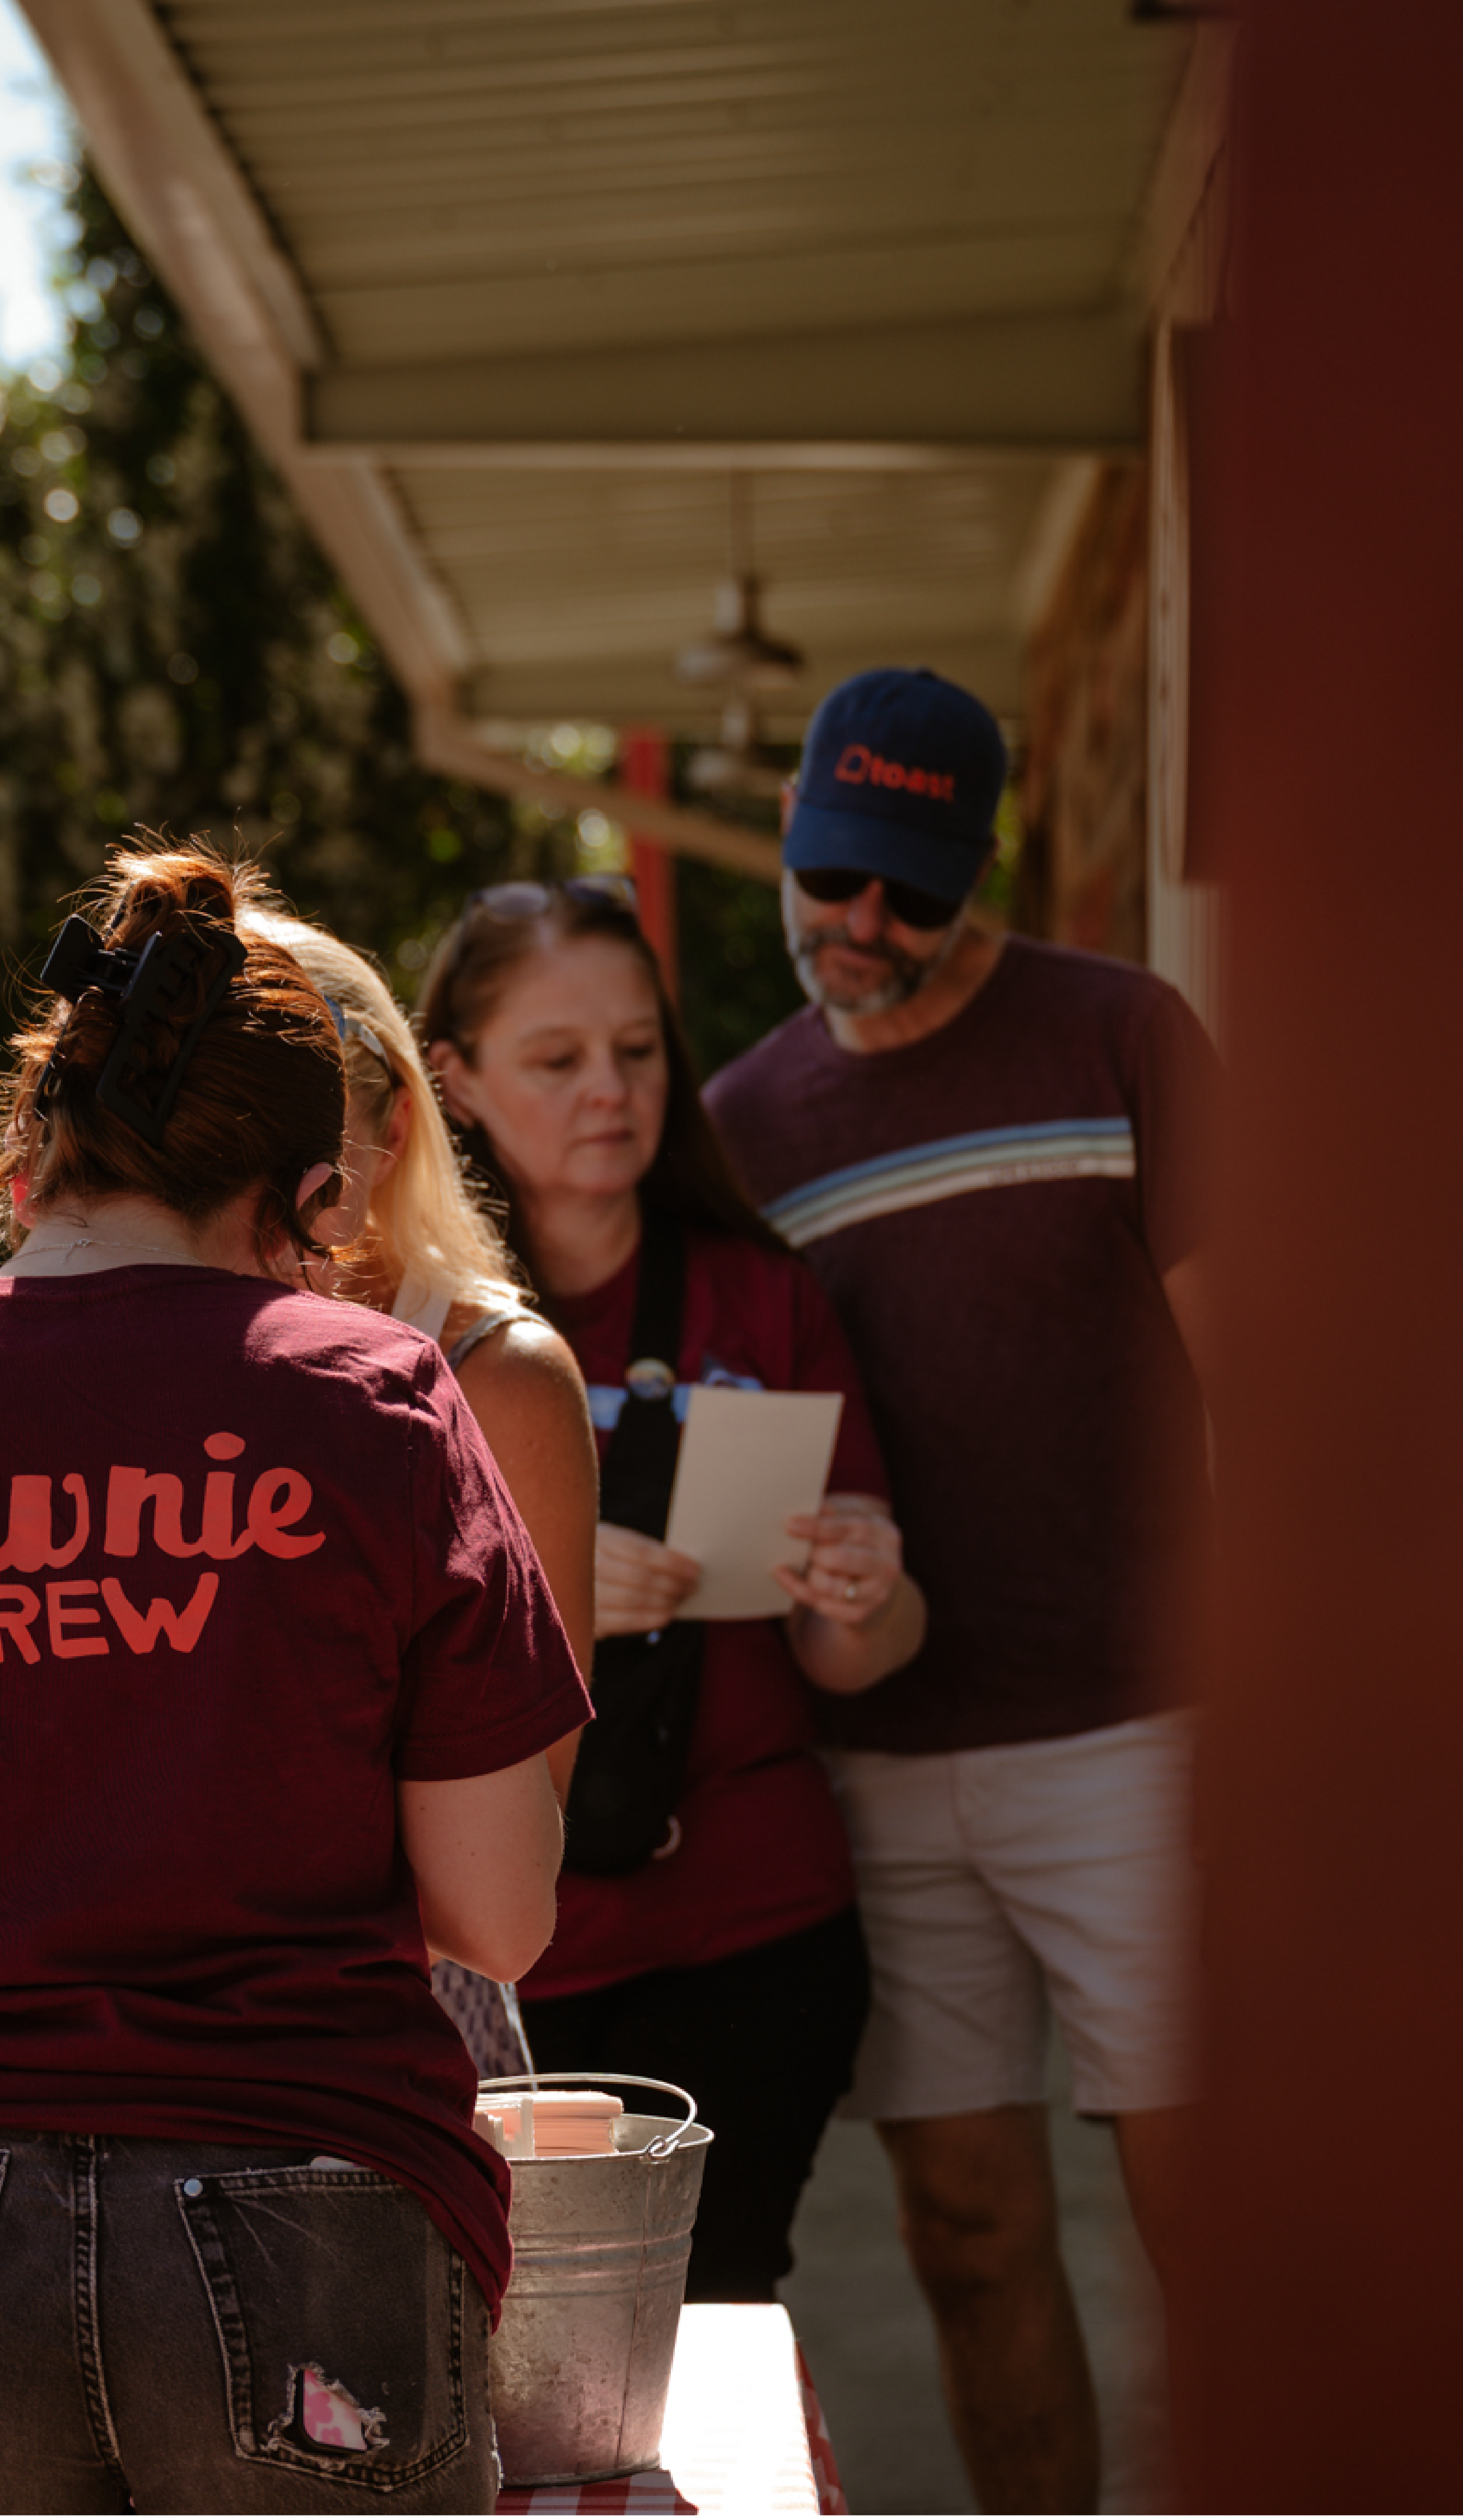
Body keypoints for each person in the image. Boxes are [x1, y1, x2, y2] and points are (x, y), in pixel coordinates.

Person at [0, 847, 590, 2516]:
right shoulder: (377, 1396)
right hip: (315, 2195)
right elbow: (500, 1914)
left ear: (30, 1158)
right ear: (313, 1197)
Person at [703, 667, 1217, 2514]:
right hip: (884, 1761)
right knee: (969, 2234)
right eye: (834, 875)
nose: (864, 923)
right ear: (791, 835)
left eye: (912, 891)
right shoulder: (741, 1123)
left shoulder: (1123, 1032)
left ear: (980, 870)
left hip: (1143, 1730)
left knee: (1217, 2219)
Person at [419, 874, 925, 2304]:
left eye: (638, 1051)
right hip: (501, 1950)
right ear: (453, 1079)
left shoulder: (765, 1296)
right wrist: (554, 1592)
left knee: (709, 2320)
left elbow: (857, 1655)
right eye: (558, 1059)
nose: (610, 1090)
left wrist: (865, 1592)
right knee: (499, 2338)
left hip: (752, 1927)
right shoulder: (396, 1323)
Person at [248, 914, 597, 2076]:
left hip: (389, 2022)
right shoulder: (118, 1348)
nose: (252, 1178)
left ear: (390, 1126)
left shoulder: (496, 1374)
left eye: (299, 1129)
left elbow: (516, 1842)